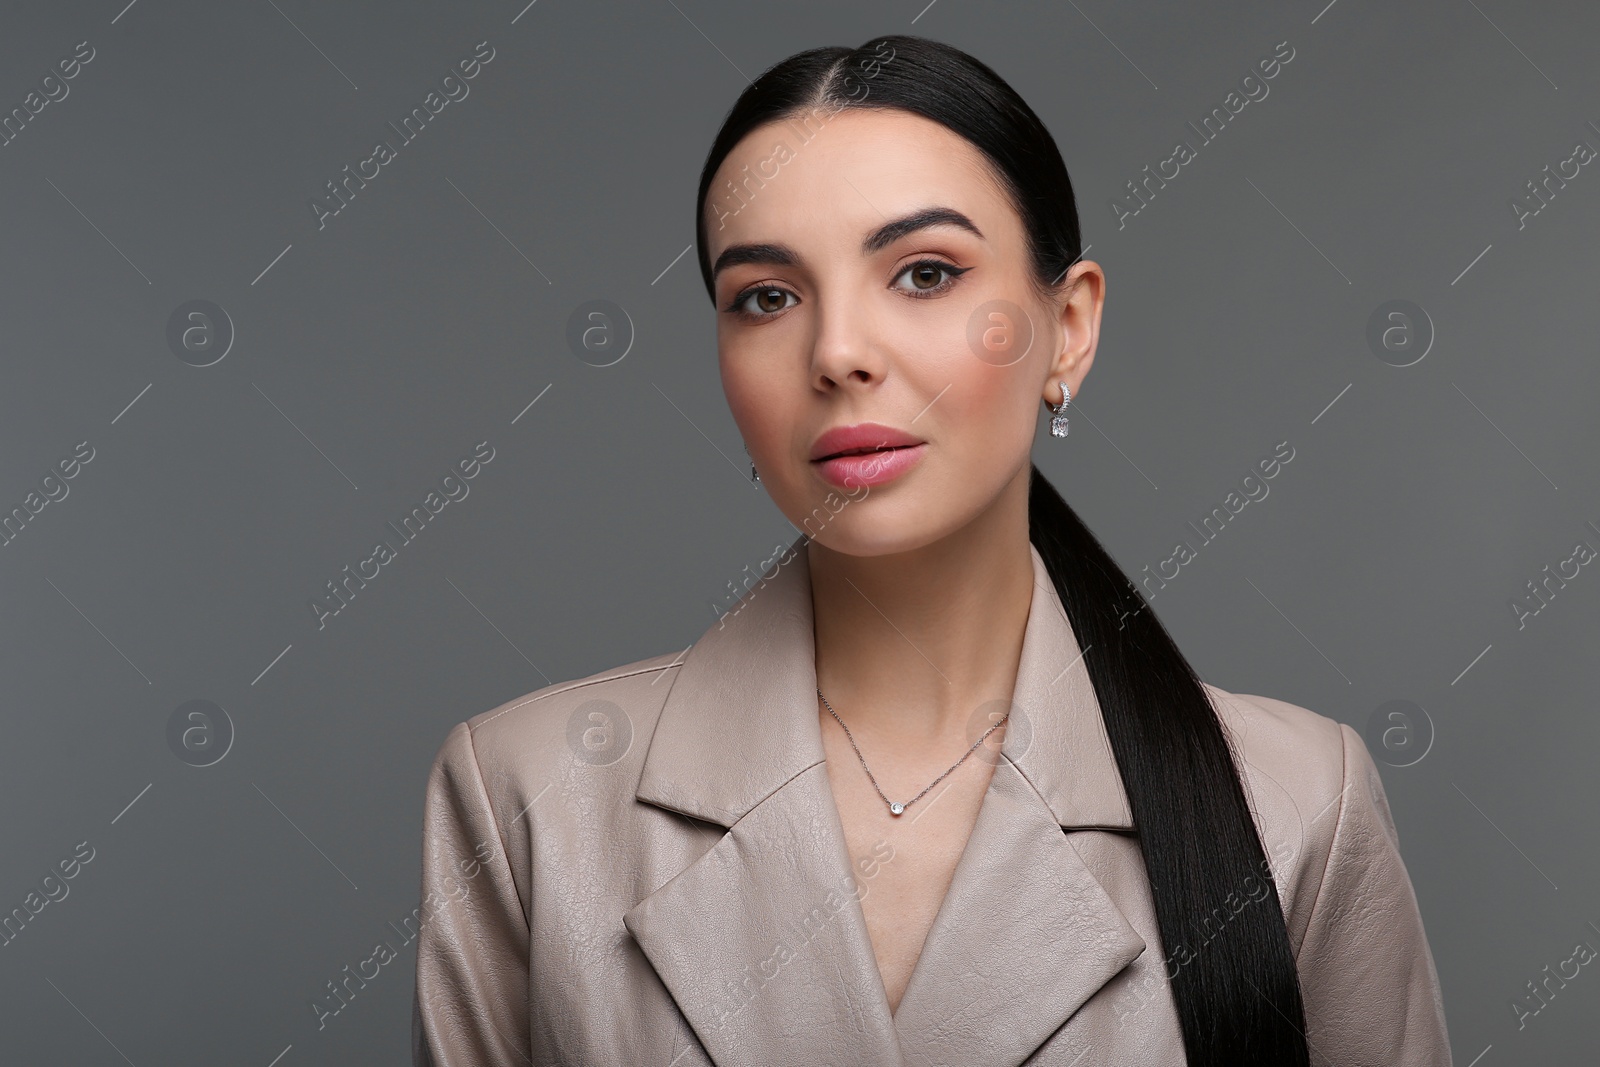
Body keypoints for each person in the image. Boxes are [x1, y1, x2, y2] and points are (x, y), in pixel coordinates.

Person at [412, 34, 1452, 1066]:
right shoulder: (530, 797)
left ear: (1069, 326)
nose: (837, 353)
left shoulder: (1295, 801)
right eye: (766, 296)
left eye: (922, 272)